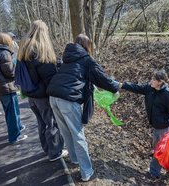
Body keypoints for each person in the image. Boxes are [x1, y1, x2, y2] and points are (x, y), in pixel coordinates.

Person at [47, 34, 120, 182]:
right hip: (68, 99)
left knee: (66, 131)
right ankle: (86, 172)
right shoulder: (87, 60)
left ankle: (74, 159)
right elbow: (102, 78)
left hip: (53, 97)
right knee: (78, 134)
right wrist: (115, 87)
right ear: (87, 46)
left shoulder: (67, 57)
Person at [120, 69, 169, 178]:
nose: (150, 81)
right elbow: (137, 88)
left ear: (160, 82)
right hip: (159, 125)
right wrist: (122, 85)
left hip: (162, 127)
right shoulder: (150, 89)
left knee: (159, 149)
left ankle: (154, 172)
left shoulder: (168, 95)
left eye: (153, 79)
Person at [17, 20, 67, 161]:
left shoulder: (24, 47)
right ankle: (55, 152)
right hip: (42, 96)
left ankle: (47, 149)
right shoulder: (39, 49)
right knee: (52, 123)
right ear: (43, 32)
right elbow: (48, 77)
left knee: (42, 123)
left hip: (31, 94)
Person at [0, 32, 27, 144]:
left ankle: (18, 127)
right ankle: (14, 136)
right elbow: (10, 72)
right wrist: (16, 66)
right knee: (12, 112)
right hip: (6, 87)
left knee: (10, 110)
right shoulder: (4, 53)